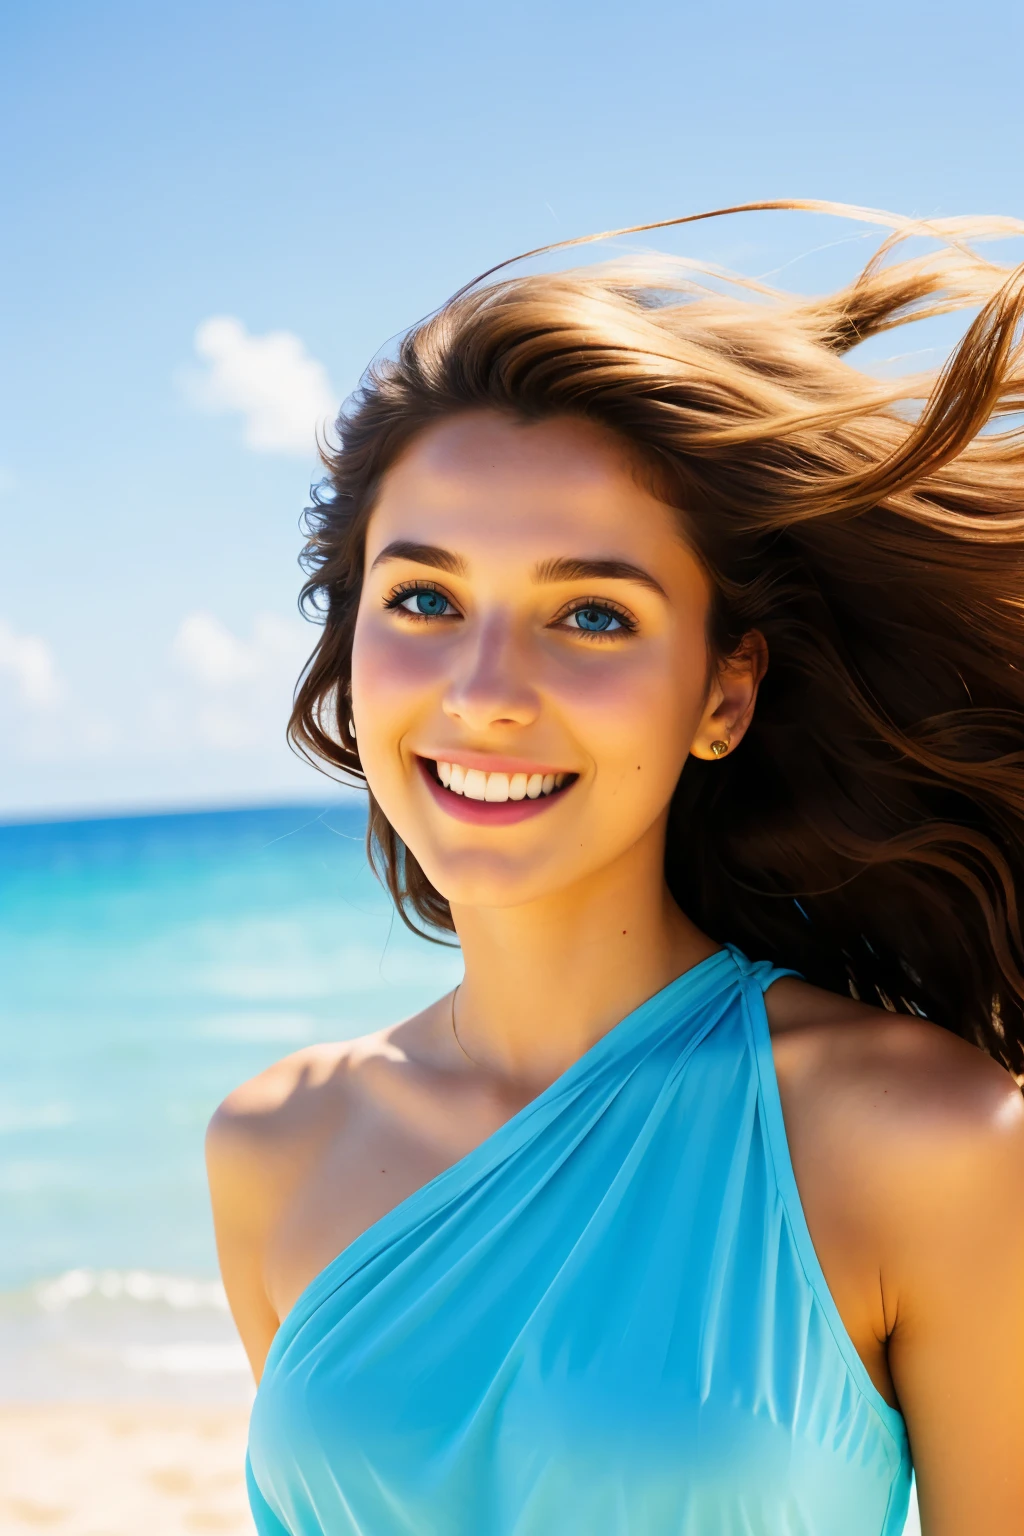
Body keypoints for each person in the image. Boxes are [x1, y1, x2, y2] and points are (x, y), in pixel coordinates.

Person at [206, 202, 1024, 1536]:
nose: (486, 694)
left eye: (591, 615)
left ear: (723, 693)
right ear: (352, 649)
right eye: (422, 600)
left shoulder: (927, 1139)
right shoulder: (272, 1149)